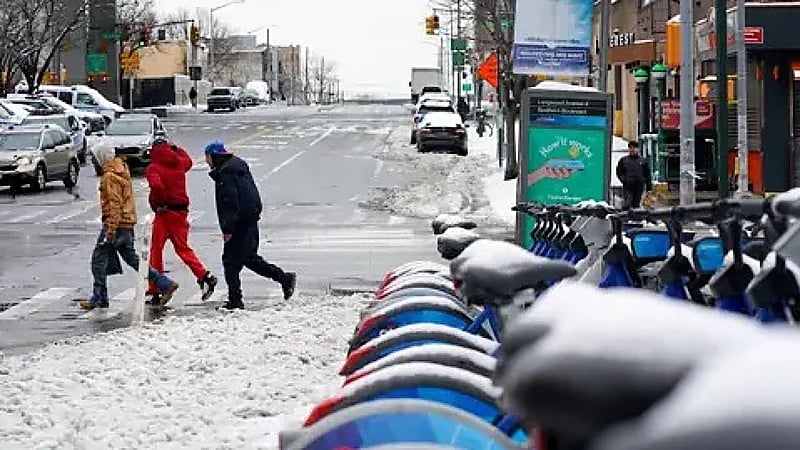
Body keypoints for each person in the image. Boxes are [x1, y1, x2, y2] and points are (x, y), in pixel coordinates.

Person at [79, 148, 179, 310]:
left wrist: (110, 229)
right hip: (126, 224)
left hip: (116, 224)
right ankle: (164, 283)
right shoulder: (121, 170)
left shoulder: (109, 176)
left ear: (102, 158)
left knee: (98, 260)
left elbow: (114, 204)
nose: (94, 161)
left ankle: (99, 297)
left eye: (96, 158)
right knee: (133, 260)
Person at [204, 140, 297, 310]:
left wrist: (228, 228)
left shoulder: (225, 173)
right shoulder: (238, 167)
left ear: (213, 156)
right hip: (249, 219)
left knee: (237, 260)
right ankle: (239, 297)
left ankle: (281, 280)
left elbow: (229, 202)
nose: (206, 161)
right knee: (241, 260)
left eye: (207, 157)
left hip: (239, 223)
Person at [145, 139, 217, 305]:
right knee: (182, 248)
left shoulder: (154, 168)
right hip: (181, 212)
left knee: (156, 250)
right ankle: (204, 276)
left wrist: (159, 203)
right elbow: (188, 161)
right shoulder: (177, 163)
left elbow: (156, 186)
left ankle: (156, 287)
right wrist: (176, 148)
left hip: (165, 213)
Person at [616, 141, 652, 210]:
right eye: (630, 148)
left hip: (639, 187)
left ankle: (636, 215)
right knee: (628, 203)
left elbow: (647, 174)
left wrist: (649, 187)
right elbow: (619, 172)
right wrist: (624, 180)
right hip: (628, 186)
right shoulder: (624, 160)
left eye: (634, 148)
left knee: (637, 205)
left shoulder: (643, 161)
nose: (632, 150)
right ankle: (626, 214)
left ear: (638, 149)